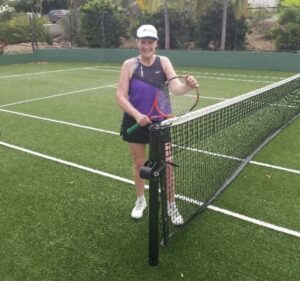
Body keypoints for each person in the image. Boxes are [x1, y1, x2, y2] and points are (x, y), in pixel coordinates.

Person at [116, 24, 199, 225]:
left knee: (168, 167)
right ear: (137, 42)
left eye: (150, 42)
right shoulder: (129, 65)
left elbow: (176, 89)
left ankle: (171, 204)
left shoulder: (164, 62)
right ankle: (140, 200)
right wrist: (136, 115)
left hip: (160, 123)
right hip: (135, 121)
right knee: (139, 164)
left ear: (156, 43)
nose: (146, 46)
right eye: (143, 42)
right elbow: (120, 95)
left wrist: (187, 85)